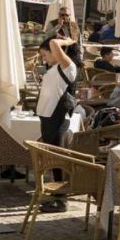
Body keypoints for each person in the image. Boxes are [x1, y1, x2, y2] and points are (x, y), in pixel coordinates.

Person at [35, 36, 79, 213]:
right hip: (48, 117)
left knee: (58, 160)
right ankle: (55, 196)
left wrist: (68, 41)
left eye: (45, 55)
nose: (44, 59)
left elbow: (54, 43)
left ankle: (61, 201)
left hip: (58, 117)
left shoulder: (68, 67)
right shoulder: (54, 67)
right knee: (52, 160)